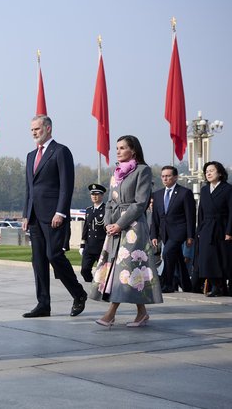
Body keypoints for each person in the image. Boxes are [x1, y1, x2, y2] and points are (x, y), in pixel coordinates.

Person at [90, 135, 163, 328]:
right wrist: (107, 223)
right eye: (117, 148)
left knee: (123, 269)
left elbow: (140, 203)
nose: (118, 151)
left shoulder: (143, 171)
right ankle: (142, 313)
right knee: (125, 269)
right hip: (114, 228)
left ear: (134, 151)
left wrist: (120, 224)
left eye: (123, 148)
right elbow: (110, 202)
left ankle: (110, 313)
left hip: (133, 228)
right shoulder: (116, 173)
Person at [21, 115, 87, 318]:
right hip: (34, 215)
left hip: (53, 215)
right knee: (38, 260)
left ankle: (78, 293)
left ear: (48, 128)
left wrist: (60, 211)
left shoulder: (60, 152)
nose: (34, 132)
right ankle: (43, 304)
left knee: (54, 255)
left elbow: (66, 186)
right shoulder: (31, 155)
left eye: (37, 128)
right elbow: (29, 188)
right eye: (31, 129)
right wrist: (25, 214)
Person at [150, 166, 195, 293]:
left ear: (175, 177)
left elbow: (190, 215)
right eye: (163, 176)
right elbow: (155, 217)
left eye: (168, 176)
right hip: (164, 232)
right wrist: (154, 235)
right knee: (178, 258)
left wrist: (190, 235)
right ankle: (187, 285)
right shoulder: (157, 194)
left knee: (167, 253)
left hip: (179, 231)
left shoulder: (185, 193)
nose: (165, 178)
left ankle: (167, 284)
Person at [195, 161, 232, 297]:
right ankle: (215, 285)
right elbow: (201, 212)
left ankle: (223, 286)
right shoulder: (204, 190)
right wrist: (199, 230)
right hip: (206, 228)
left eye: (211, 170)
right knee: (206, 258)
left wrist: (229, 231)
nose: (208, 173)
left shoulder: (228, 189)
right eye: (206, 171)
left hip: (222, 227)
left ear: (220, 173)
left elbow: (231, 212)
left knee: (222, 258)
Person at [79, 184, 107, 282]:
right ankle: (91, 283)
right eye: (92, 194)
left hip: (101, 246)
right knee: (84, 270)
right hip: (89, 246)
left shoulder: (106, 209)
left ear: (102, 195)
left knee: (103, 273)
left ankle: (99, 289)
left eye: (97, 194)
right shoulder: (88, 210)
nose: (94, 196)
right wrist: (82, 245)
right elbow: (86, 228)